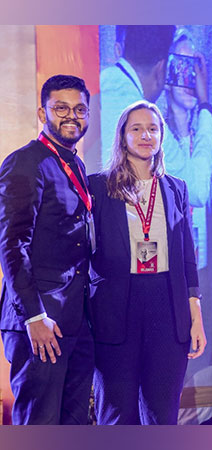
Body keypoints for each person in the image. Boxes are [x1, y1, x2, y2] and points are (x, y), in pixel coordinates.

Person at [88, 100, 207, 424]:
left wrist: (195, 316)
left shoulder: (176, 189)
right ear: (122, 136)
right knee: (117, 415)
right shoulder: (98, 187)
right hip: (116, 309)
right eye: (137, 129)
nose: (145, 136)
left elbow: (187, 258)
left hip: (167, 307)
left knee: (162, 416)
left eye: (152, 129)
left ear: (162, 136)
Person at [0, 75, 94, 424]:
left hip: (74, 319)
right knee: (39, 426)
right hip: (39, 323)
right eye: (61, 108)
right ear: (43, 113)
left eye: (80, 109)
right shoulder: (26, 162)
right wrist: (34, 316)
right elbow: (12, 244)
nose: (72, 116)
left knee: (73, 426)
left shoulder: (74, 163)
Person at [163, 28, 212, 269]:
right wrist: (205, 105)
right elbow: (196, 191)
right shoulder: (158, 135)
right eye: (181, 66)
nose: (189, 79)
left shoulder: (200, 140)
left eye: (194, 68)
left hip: (197, 268)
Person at [100, 25, 176, 167]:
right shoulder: (147, 120)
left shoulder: (99, 83)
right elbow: (195, 179)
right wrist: (205, 108)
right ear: (161, 67)